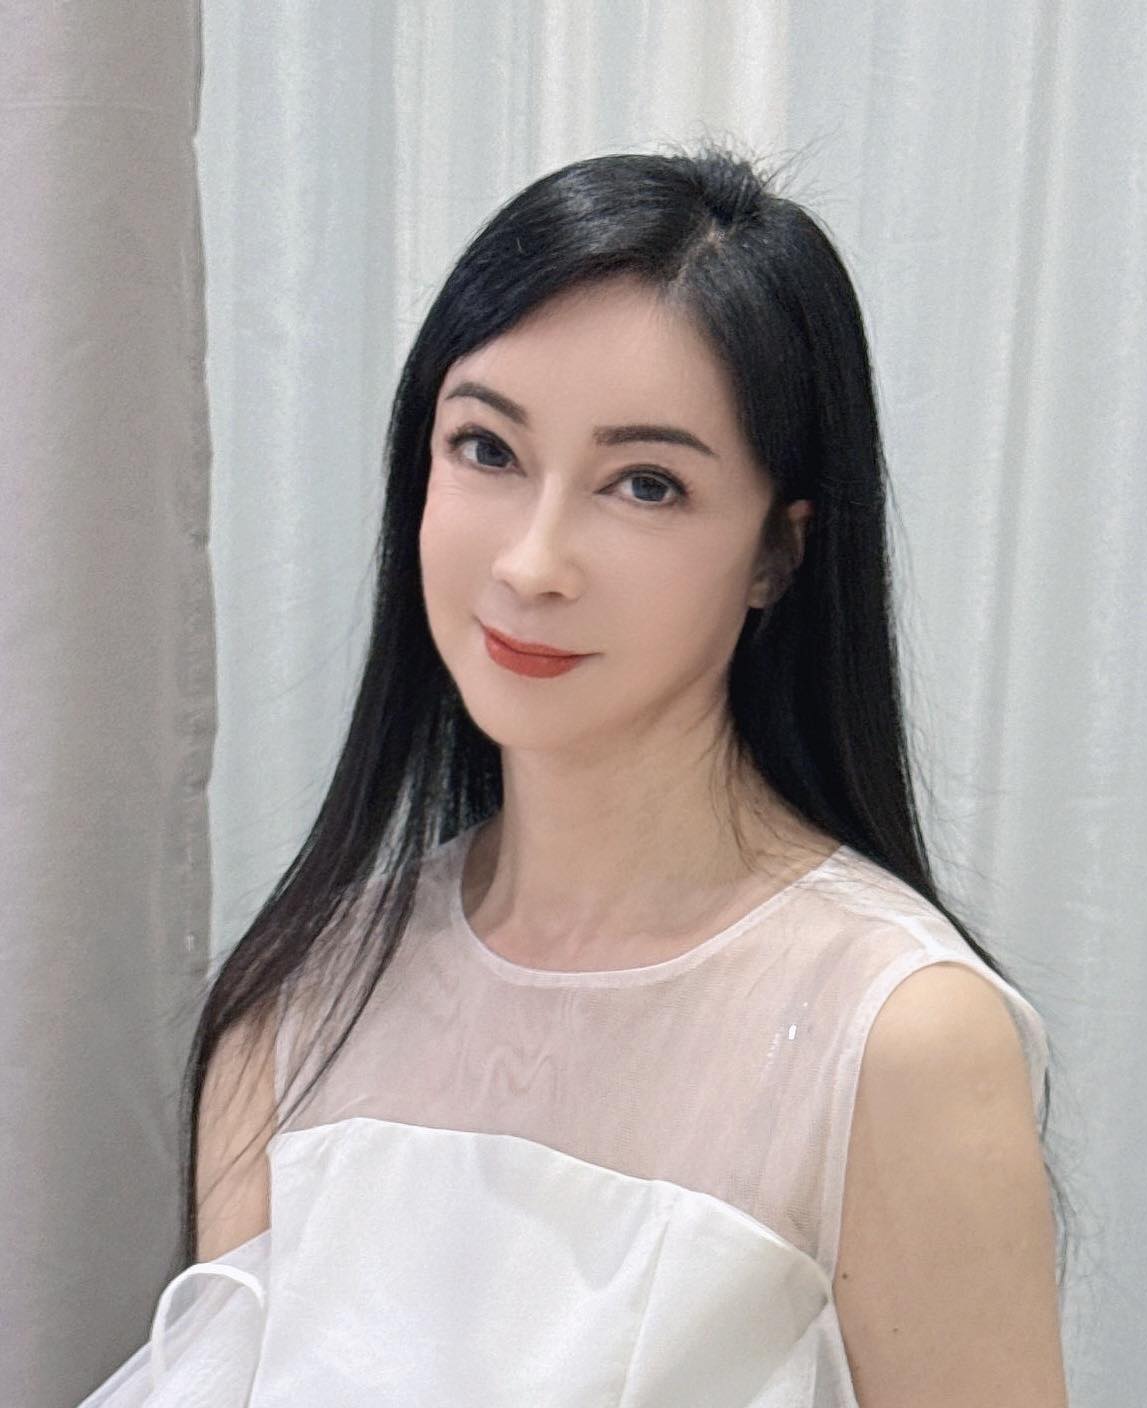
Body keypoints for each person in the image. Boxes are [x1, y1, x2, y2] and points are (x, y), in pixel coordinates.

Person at [79, 143, 1081, 1406]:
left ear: (777, 553)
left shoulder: (897, 1039)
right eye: (487, 449)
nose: (534, 561)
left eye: (645, 484)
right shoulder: (300, 999)